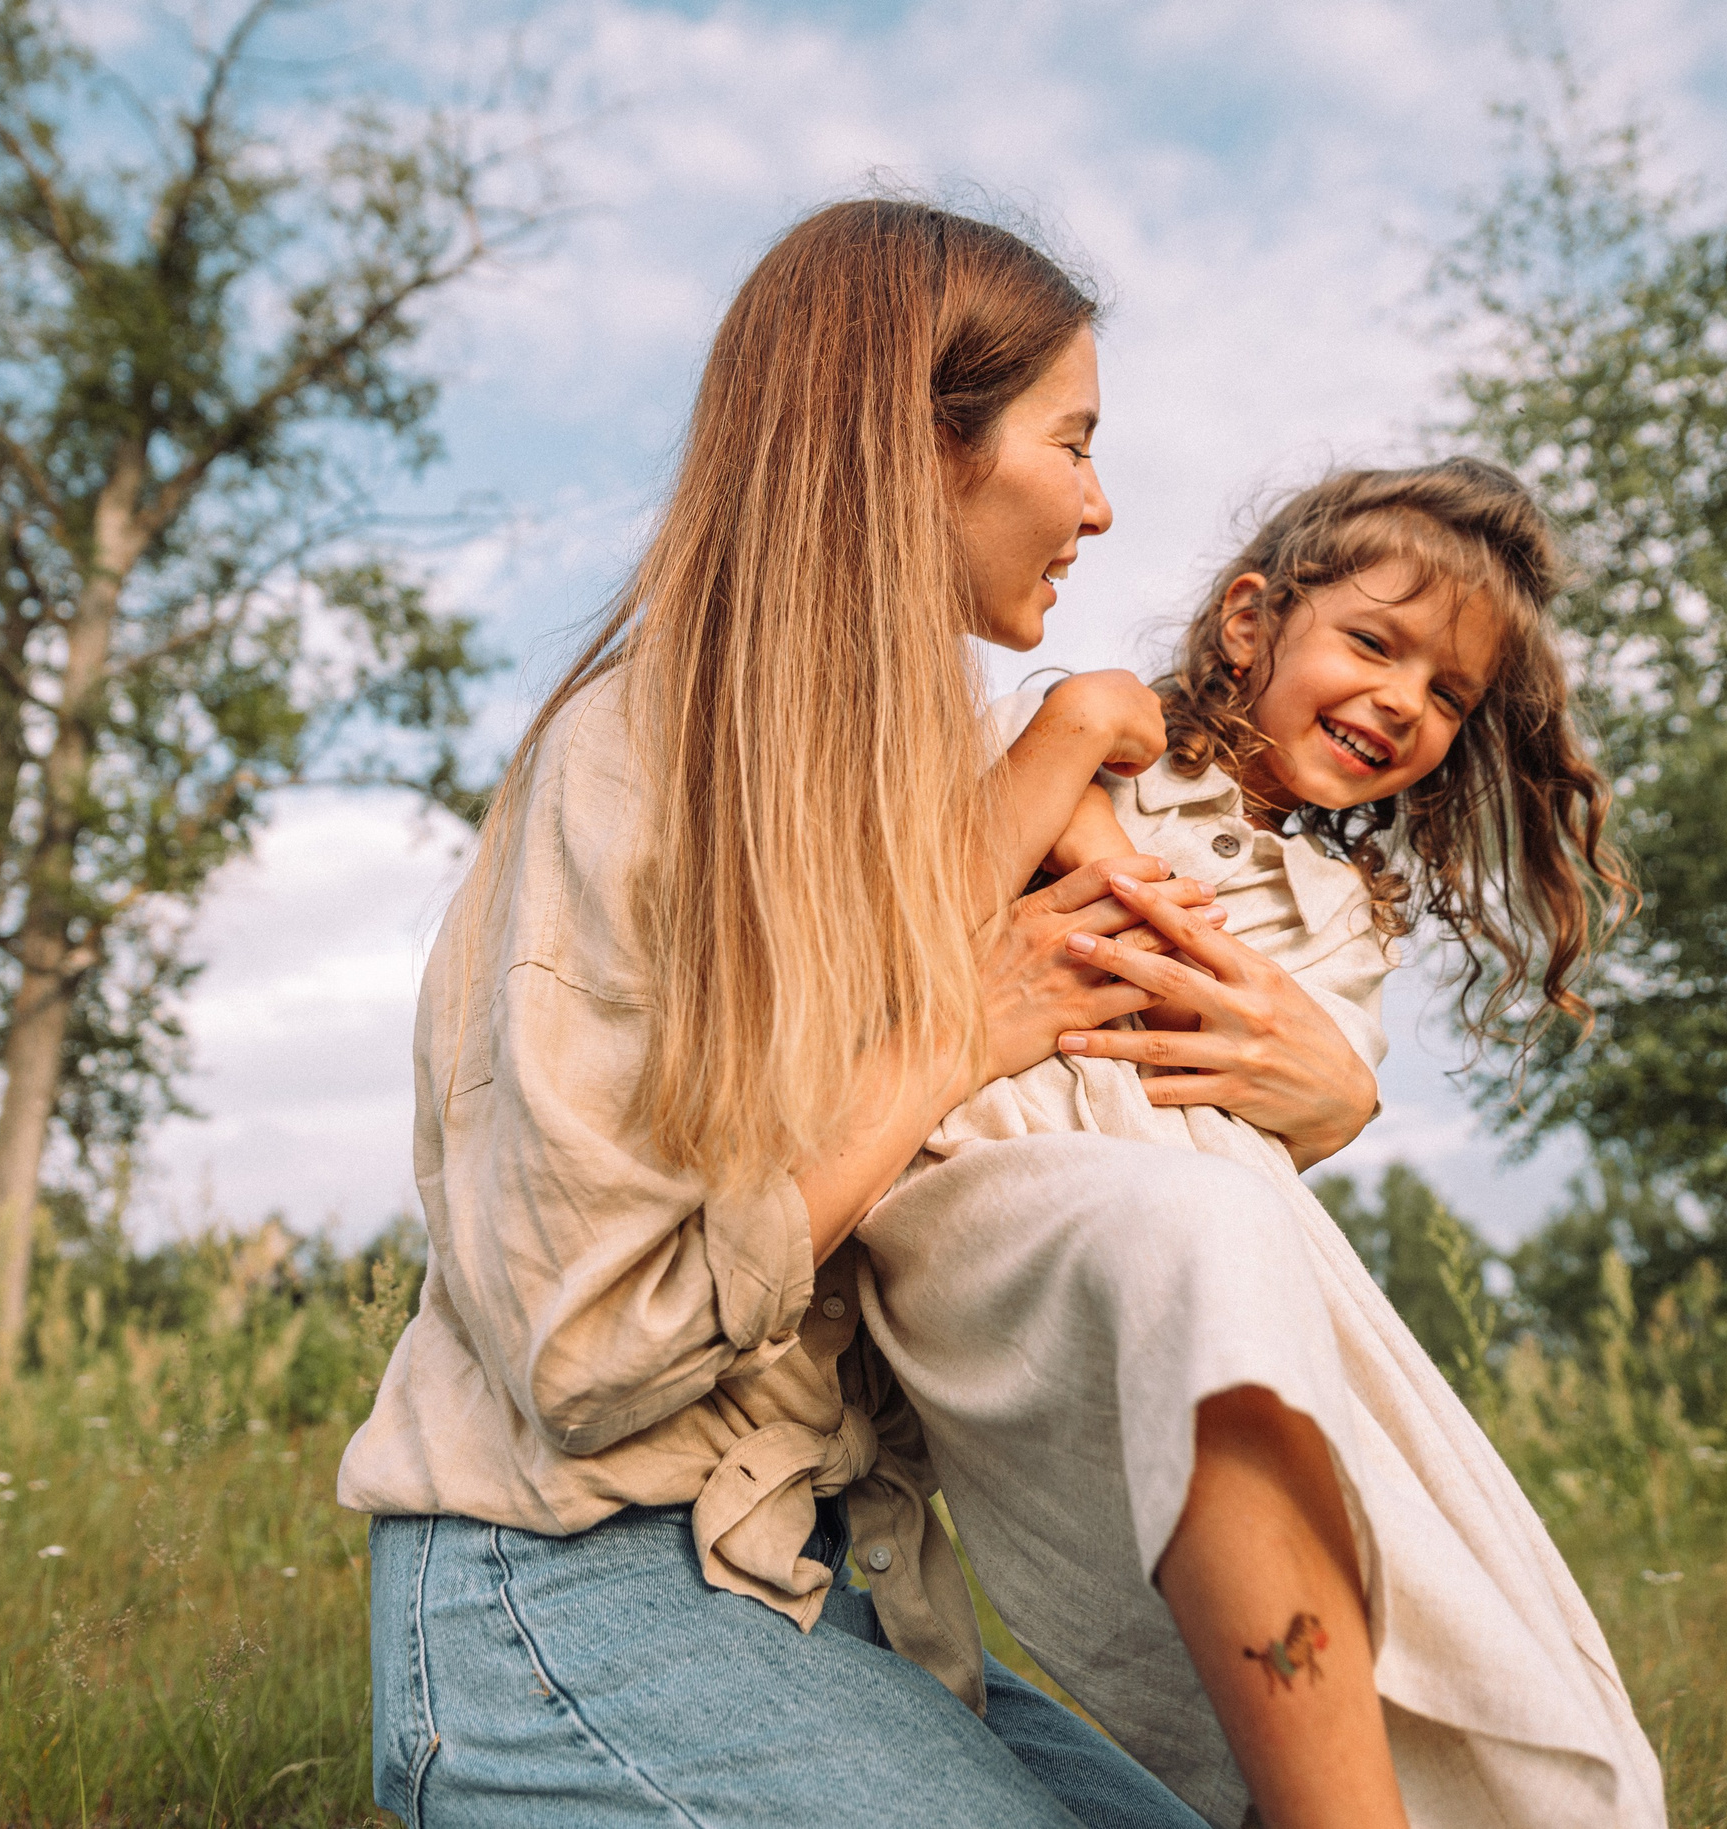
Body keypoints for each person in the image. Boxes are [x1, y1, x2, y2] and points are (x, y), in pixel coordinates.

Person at [337, 199, 1386, 1828]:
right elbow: (584, 1352)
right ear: (921, 444)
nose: (1103, 506)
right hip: (559, 1586)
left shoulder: (925, 793)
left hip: (822, 1577)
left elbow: (1111, 1126)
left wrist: (1325, 1087)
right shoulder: (631, 766)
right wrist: (943, 1040)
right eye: (1074, 441)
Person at [857, 460, 1669, 1828]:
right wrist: (1071, 739)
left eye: (1449, 694)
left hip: (1191, 1217)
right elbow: (914, 921)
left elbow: (1289, 1093)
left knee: (1438, 1549)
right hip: (992, 1185)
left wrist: (1334, 1085)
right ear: (1250, 623)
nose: (1404, 700)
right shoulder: (1088, 736)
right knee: (1216, 1266)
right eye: (1373, 642)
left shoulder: (1343, 914)